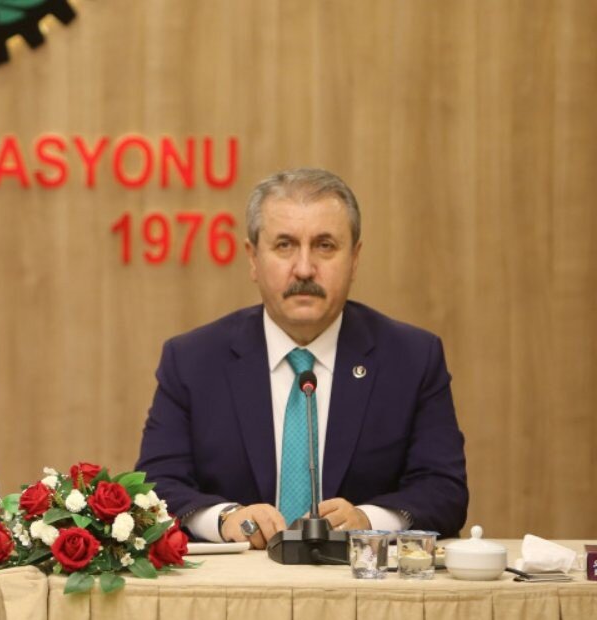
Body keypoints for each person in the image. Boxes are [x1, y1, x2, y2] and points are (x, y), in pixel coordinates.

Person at [135, 168, 467, 548]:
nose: (305, 268)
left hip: (360, 580)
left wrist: (367, 521)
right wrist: (225, 519)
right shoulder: (193, 361)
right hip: (239, 580)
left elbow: (444, 490)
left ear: (355, 258)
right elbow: (156, 487)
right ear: (253, 258)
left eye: (325, 246)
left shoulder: (411, 358)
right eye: (285, 245)